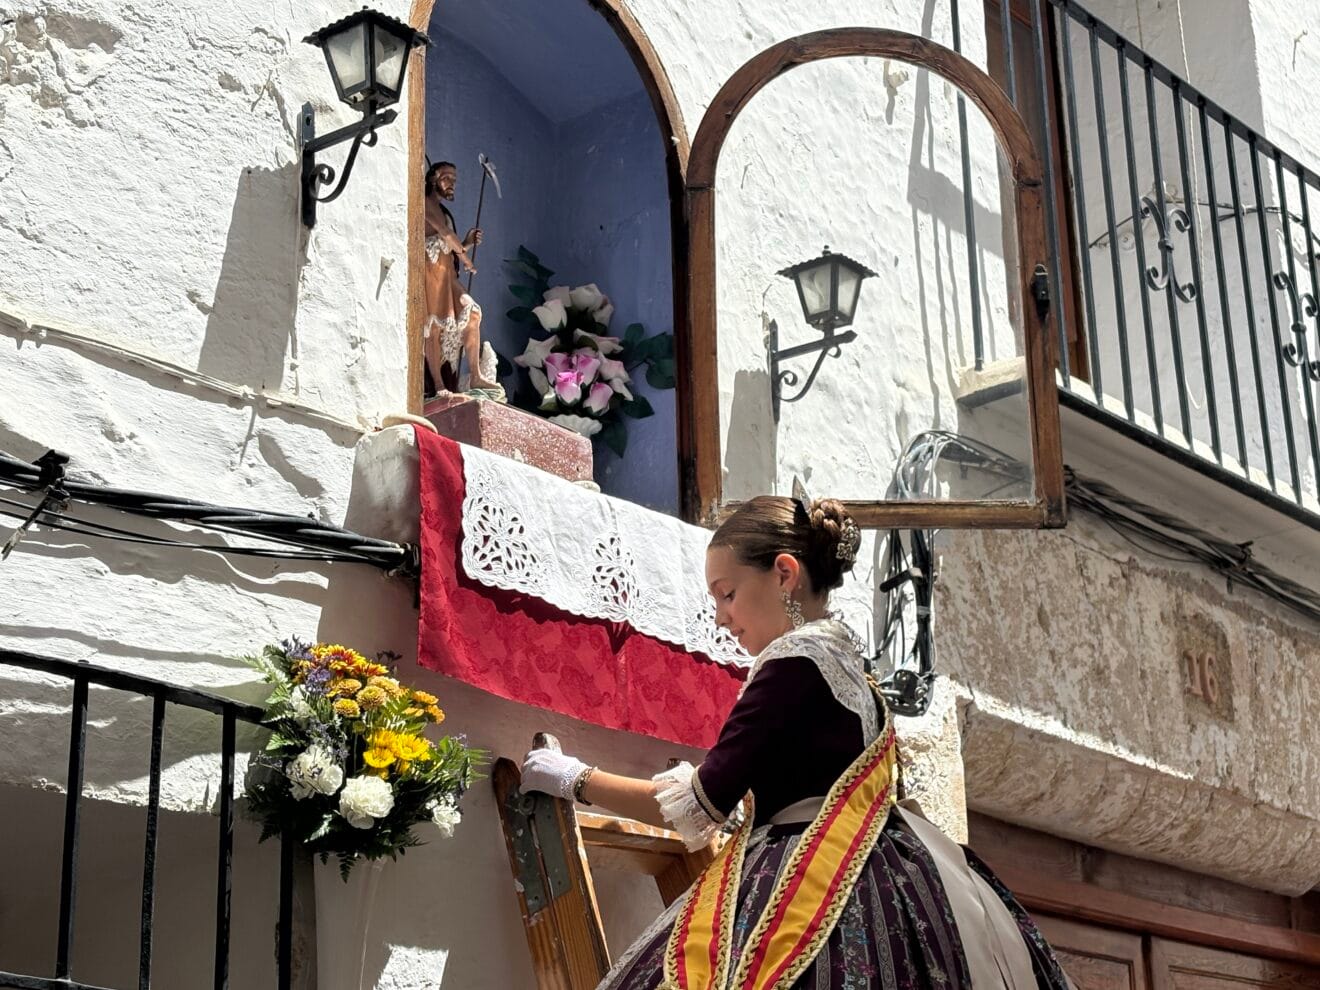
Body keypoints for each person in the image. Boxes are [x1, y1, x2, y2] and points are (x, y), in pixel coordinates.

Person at [520, 494, 1074, 989]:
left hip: (810, 877)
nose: (721, 618)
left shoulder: (792, 663)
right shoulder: (851, 666)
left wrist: (573, 779)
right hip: (890, 878)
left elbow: (700, 804)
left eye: (727, 594)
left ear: (784, 573)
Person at [423, 161, 501, 396]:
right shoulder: (424, 203)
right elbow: (445, 235)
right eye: (446, 178)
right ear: (433, 178)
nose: (452, 184)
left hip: (447, 274)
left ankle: (476, 375)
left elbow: (450, 245)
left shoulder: (444, 212)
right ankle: (438, 385)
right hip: (431, 272)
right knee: (434, 325)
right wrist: (467, 260)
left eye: (454, 180)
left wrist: (466, 243)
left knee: (473, 312)